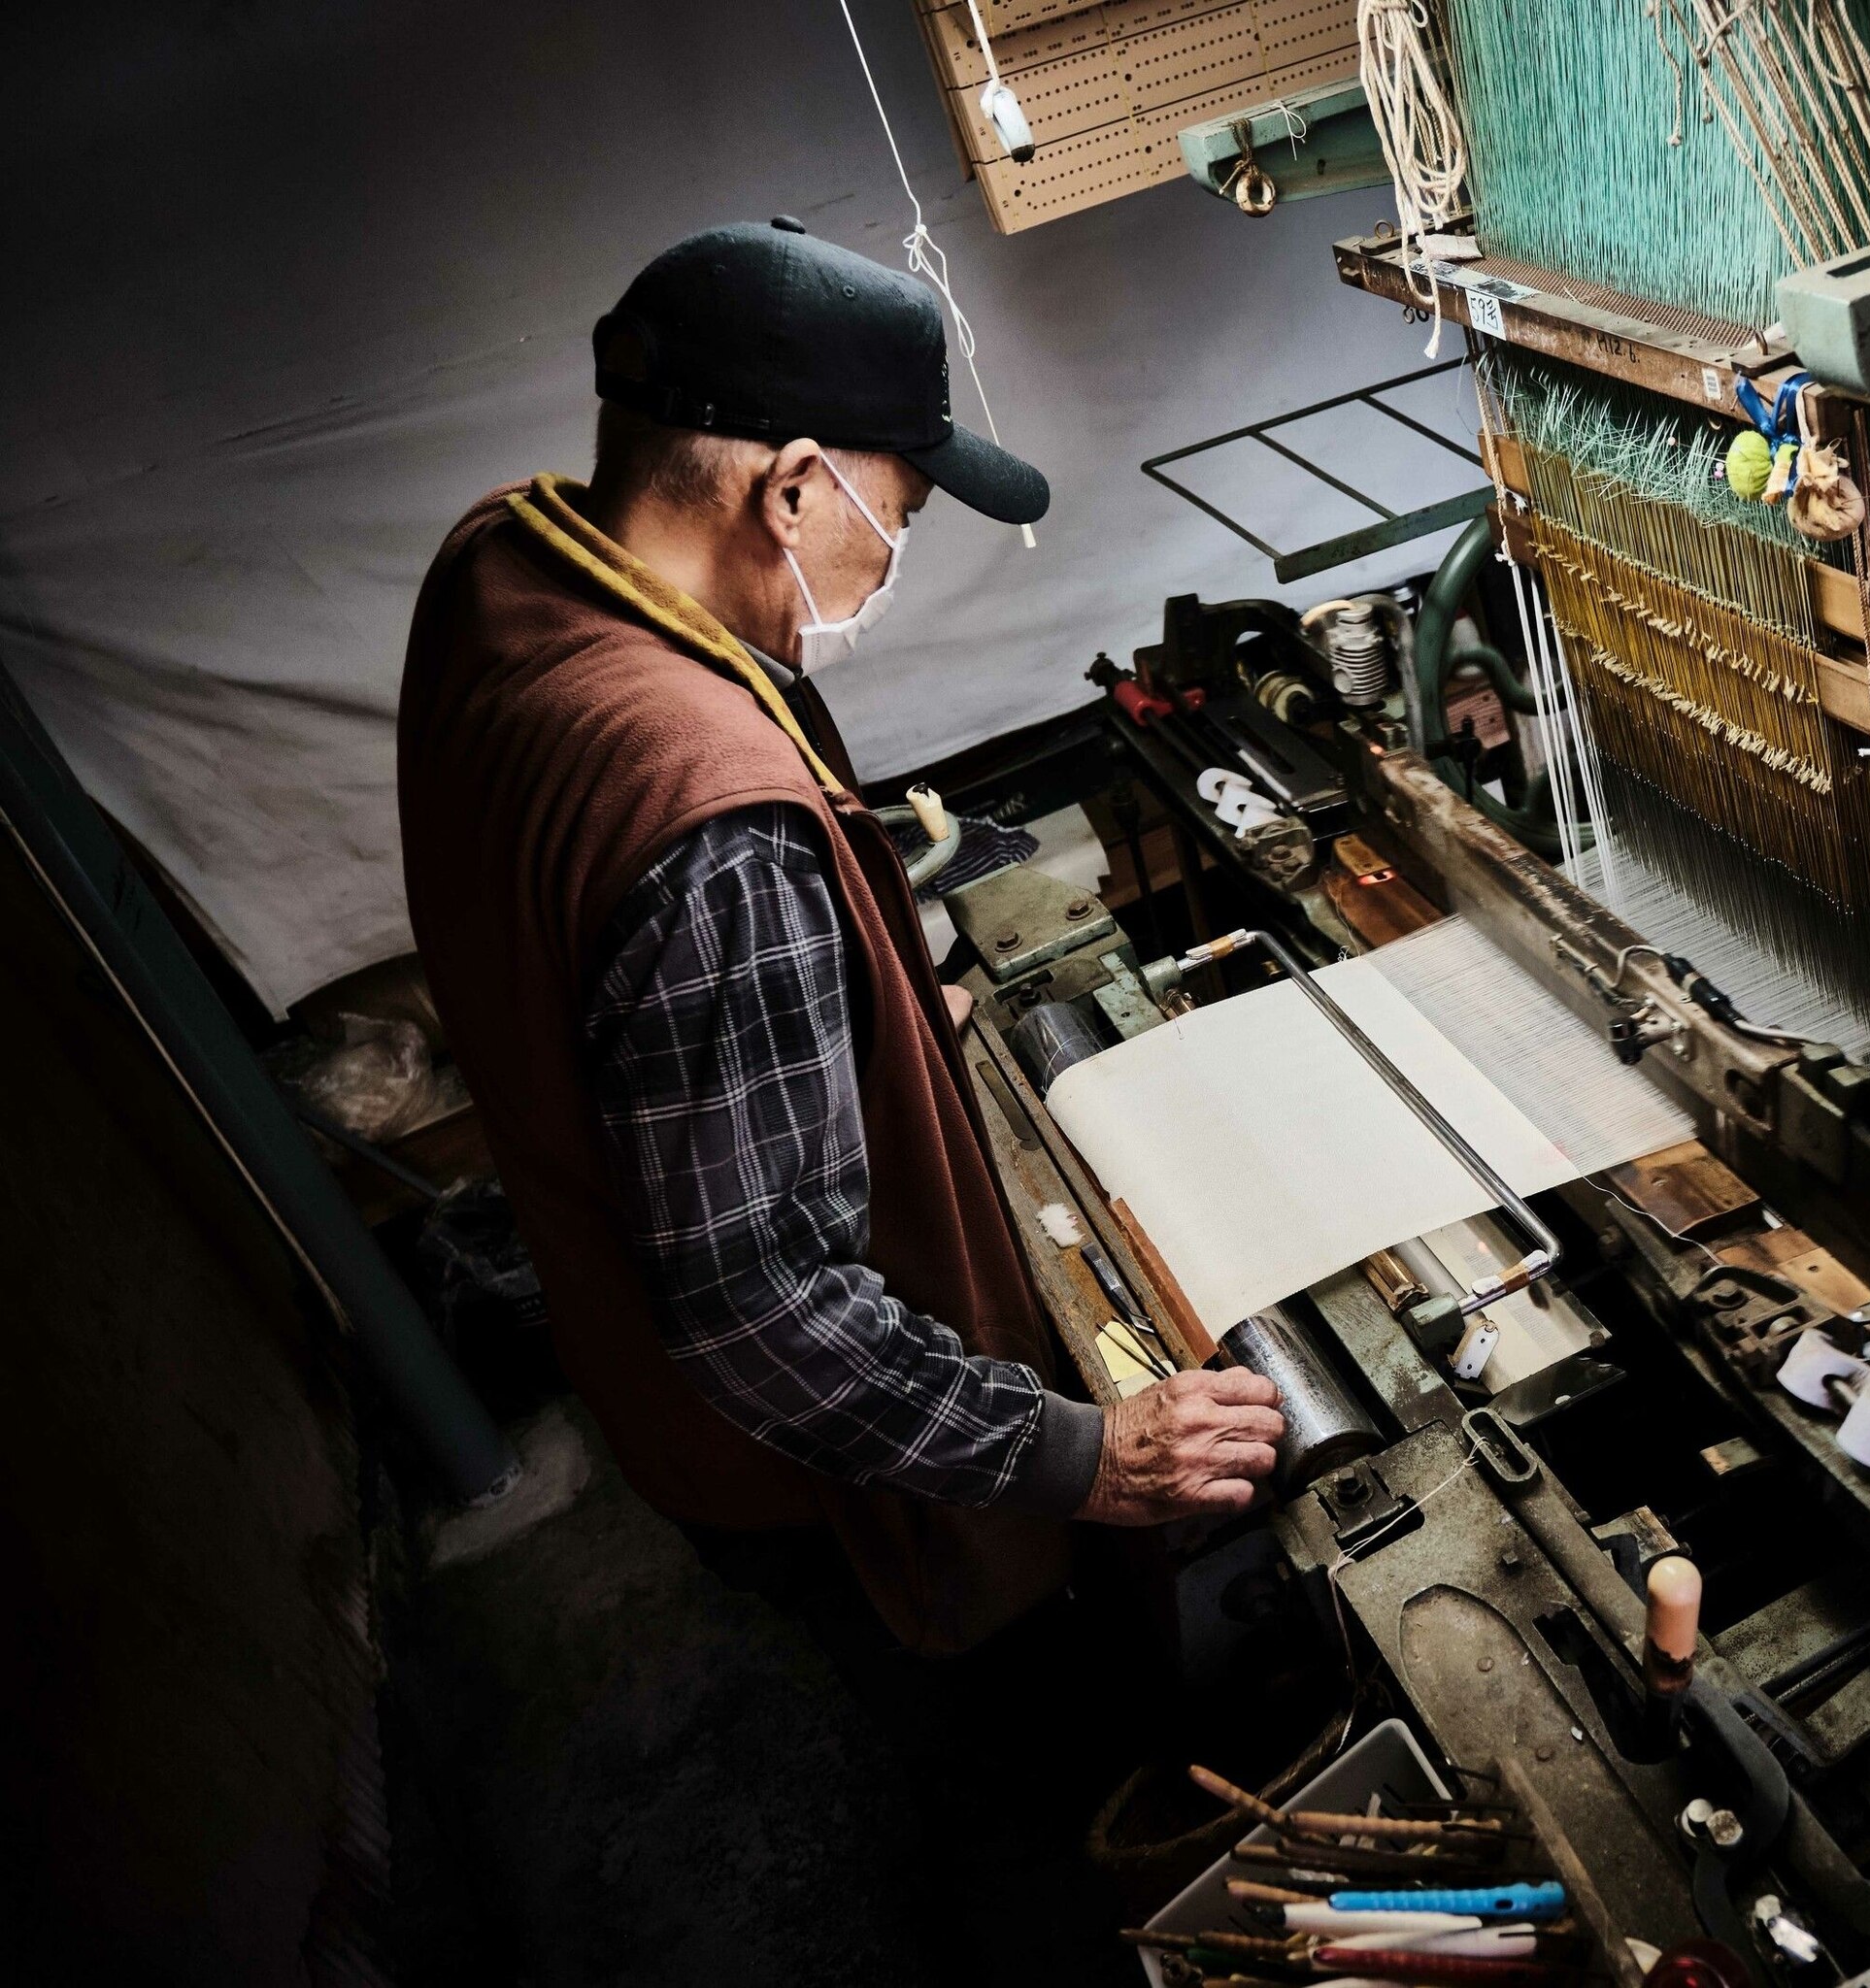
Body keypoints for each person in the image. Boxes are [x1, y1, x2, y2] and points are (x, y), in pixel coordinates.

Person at [395, 218, 1280, 1978]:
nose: (904, 546)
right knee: (1010, 1780)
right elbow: (762, 1310)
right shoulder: (712, 822)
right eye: (904, 503)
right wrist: (1089, 1456)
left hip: (642, 1394)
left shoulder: (505, 565)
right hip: (817, 1486)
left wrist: (865, 976)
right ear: (792, 488)